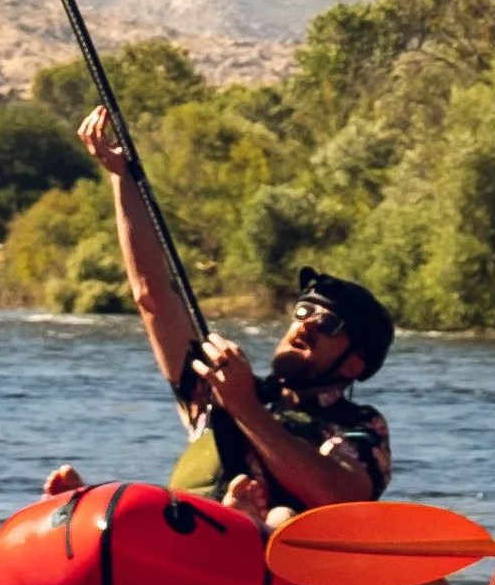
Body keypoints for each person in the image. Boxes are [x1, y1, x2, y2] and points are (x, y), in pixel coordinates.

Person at [34, 108, 394, 523]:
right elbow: (152, 298)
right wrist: (120, 175)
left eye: (328, 324)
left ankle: (244, 522)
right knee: (123, 506)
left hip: (284, 558)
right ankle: (93, 508)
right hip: (193, 547)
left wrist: (244, 407)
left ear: (353, 363)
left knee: (280, 518)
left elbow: (336, 493)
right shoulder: (217, 389)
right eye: (303, 310)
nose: (305, 324)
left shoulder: (360, 427)